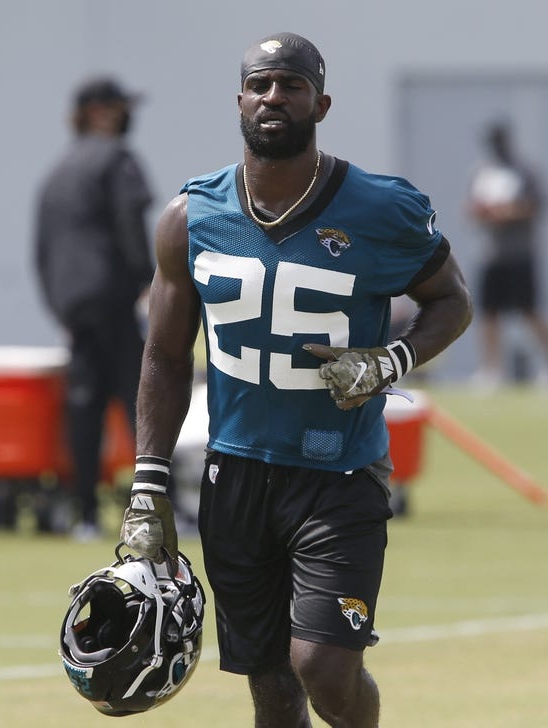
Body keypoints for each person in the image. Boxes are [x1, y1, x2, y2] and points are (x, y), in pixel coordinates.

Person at [118, 32, 472, 728]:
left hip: (338, 476)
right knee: (271, 684)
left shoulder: (380, 208)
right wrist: (148, 483)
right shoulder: (191, 217)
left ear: (322, 103)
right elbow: (162, 354)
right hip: (237, 474)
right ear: (240, 101)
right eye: (261, 84)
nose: (274, 97)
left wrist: (389, 361)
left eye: (291, 85)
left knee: (324, 667)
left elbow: (452, 299)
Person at [34, 76, 154, 540]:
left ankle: (82, 511)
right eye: (122, 108)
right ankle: (152, 507)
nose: (129, 118)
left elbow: (41, 249)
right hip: (115, 298)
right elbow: (130, 222)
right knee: (142, 401)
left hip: (75, 306)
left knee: (85, 409)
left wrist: (61, 307)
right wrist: (148, 281)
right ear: (100, 112)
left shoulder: (57, 171)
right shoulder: (116, 160)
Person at [466, 121, 548, 388]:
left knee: (531, 311)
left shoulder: (524, 171)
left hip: (520, 253)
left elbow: (538, 204)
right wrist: (485, 212)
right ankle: (491, 370)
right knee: (489, 314)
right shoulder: (483, 173)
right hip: (492, 254)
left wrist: (509, 211)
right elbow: (471, 210)